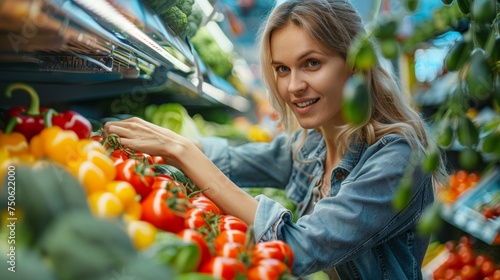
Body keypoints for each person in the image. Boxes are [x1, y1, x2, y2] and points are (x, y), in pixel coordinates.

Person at [104, 0, 448, 278]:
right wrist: (126, 133)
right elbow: (233, 159)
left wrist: (180, 150)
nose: (292, 86)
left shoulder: (398, 158)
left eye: (311, 63)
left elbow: (294, 249)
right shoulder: (312, 143)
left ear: (355, 65)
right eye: (282, 69)